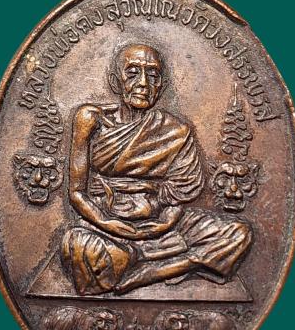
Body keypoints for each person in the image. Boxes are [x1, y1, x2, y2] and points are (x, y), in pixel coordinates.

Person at [61, 44, 252, 295]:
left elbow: (177, 197)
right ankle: (145, 259)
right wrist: (110, 223)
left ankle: (151, 272)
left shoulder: (176, 131)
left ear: (161, 85)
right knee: (81, 249)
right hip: (104, 226)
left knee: (238, 234)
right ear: (115, 81)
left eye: (152, 75)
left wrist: (160, 225)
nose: (143, 83)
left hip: (162, 227)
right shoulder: (90, 118)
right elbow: (76, 193)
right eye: (132, 73)